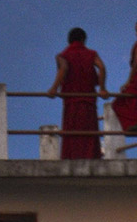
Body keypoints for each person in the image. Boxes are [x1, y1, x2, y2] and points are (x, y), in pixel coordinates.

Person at [46, 27, 109, 159]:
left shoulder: (62, 55)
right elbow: (102, 67)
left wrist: (54, 88)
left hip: (71, 100)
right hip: (89, 100)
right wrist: (102, 88)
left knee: (72, 133)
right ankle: (92, 157)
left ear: (69, 40)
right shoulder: (92, 53)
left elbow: (64, 68)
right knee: (89, 132)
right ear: (83, 40)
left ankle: (71, 157)